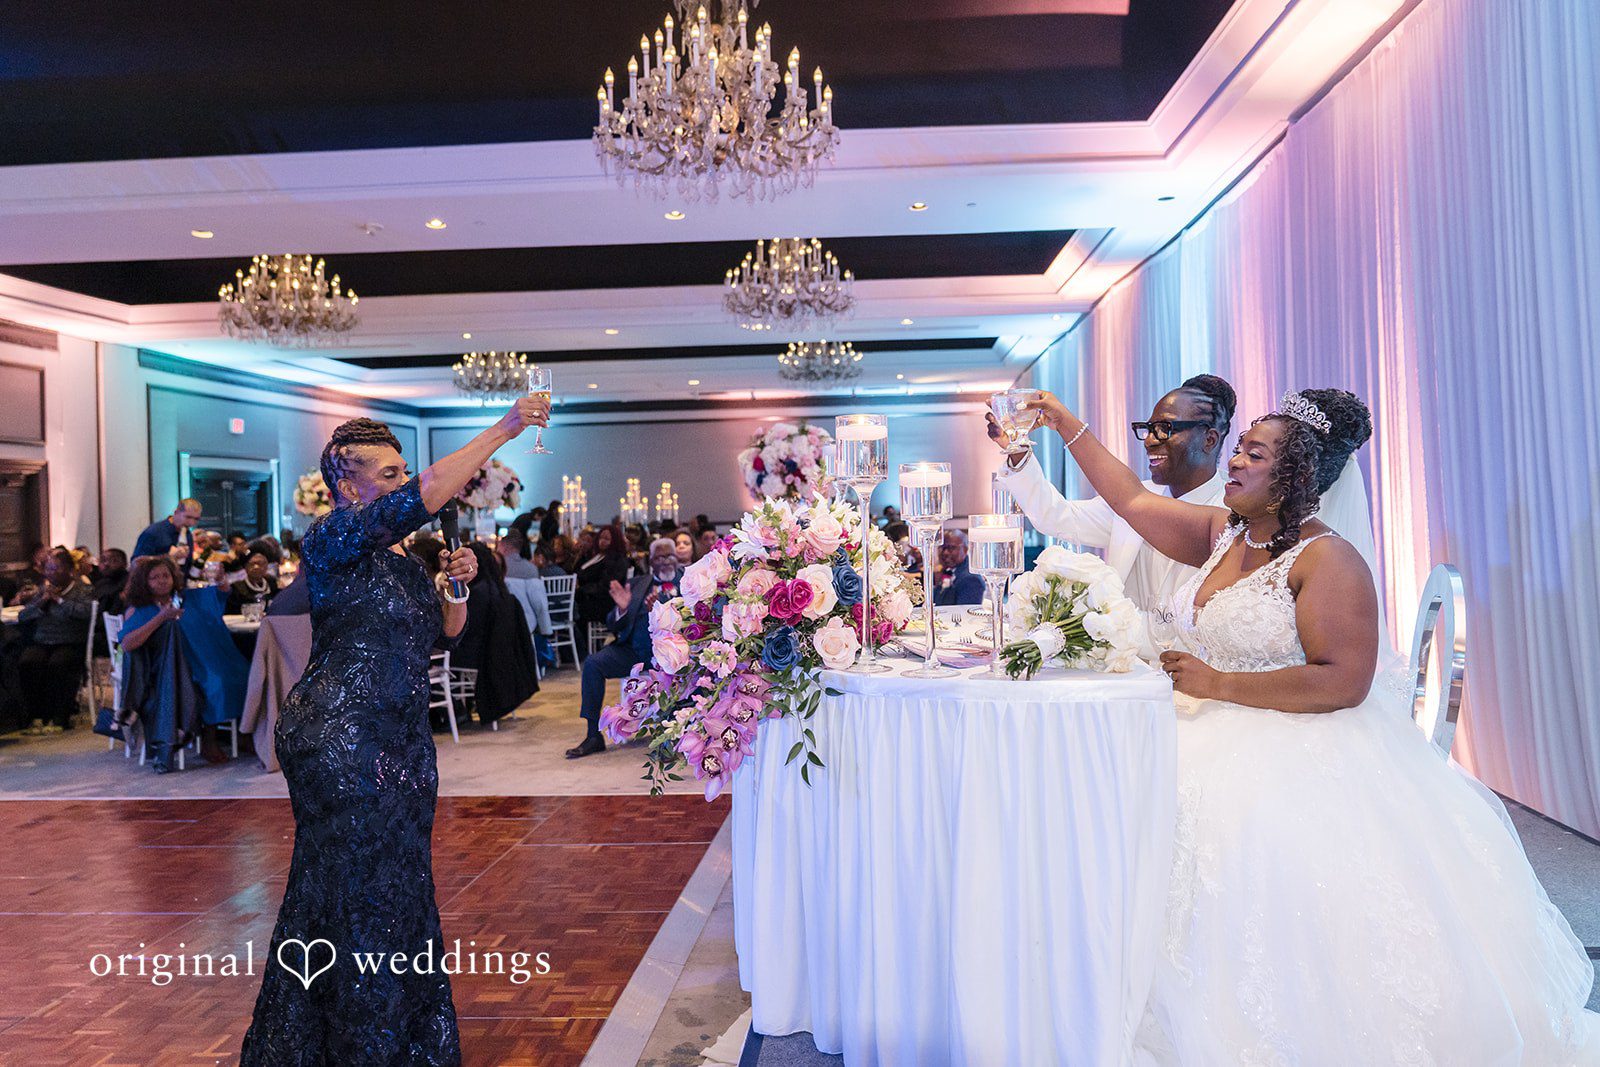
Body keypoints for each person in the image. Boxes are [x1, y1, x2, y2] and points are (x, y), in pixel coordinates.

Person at [1025, 385, 1600, 1063]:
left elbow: (1343, 679)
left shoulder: (1329, 561)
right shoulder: (1221, 534)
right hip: (1198, 723)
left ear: (1293, 477)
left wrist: (1219, 683)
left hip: (1292, 742)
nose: (1233, 462)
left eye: (1253, 454)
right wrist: (1064, 423)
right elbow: (1131, 499)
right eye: (1238, 449)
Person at [241, 398, 548, 1066]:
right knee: (354, 890)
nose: (397, 483)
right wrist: (505, 429)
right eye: (384, 474)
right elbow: (425, 495)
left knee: (396, 886)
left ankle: (390, 1037)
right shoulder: (329, 539)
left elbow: (447, 632)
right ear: (344, 485)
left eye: (399, 470)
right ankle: (351, 1041)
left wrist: (458, 586)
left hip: (402, 742)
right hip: (339, 739)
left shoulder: (403, 563)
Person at [992, 374, 1235, 658]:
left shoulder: (1234, 513)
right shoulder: (1133, 498)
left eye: (1164, 429)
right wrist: (1019, 451)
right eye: (1148, 428)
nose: (1149, 441)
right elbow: (1056, 517)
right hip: (1126, 670)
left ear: (1209, 439)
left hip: (1198, 673)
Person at [567, 537, 683, 759]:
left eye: (670, 555)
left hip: (675, 656)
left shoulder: (688, 583)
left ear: (676, 558)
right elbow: (612, 622)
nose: (666, 561)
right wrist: (622, 610)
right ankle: (593, 735)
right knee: (593, 663)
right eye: (659, 556)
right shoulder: (639, 583)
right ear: (651, 561)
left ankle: (673, 737)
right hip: (634, 652)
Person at [452, 541, 539, 726]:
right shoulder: (498, 589)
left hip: (478, 656)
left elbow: (462, 631)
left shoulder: (475, 593)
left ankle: (449, 712)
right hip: (495, 655)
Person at [16, 548, 96, 733]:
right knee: (28, 662)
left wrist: (59, 600)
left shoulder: (83, 589)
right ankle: (36, 716)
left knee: (58, 664)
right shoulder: (43, 590)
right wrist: (42, 602)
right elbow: (23, 616)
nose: (51, 573)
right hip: (43, 641)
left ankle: (60, 716)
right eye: (48, 569)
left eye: (56, 568)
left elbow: (85, 613)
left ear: (69, 569)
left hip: (71, 641)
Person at [574, 523, 630, 626]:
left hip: (604, 600)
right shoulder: (598, 556)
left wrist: (582, 590)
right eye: (601, 538)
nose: (602, 541)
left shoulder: (616, 559)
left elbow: (607, 584)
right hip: (589, 595)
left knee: (574, 609)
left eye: (607, 539)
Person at [133, 499, 202, 565]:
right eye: (188, 517)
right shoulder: (153, 532)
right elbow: (136, 563)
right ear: (176, 513)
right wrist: (167, 557)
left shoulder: (187, 534)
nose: (192, 523)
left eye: (196, 519)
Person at [930, 529, 985, 606]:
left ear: (965, 550)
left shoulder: (971, 579)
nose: (945, 552)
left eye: (951, 548)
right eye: (942, 548)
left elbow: (964, 615)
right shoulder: (946, 571)